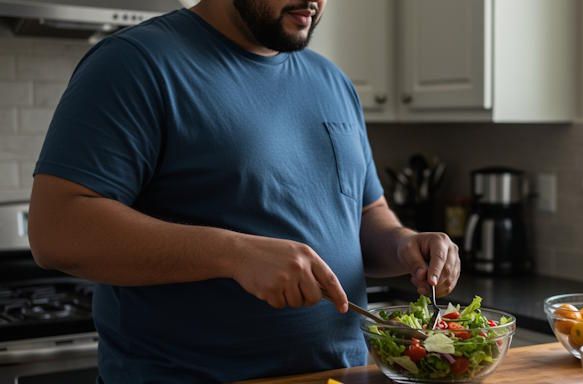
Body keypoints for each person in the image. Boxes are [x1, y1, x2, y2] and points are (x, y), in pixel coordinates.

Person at [27, 0, 461, 382]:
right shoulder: (135, 64)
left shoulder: (332, 82)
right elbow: (56, 230)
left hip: (338, 376)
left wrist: (406, 246)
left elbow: (367, 215)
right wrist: (233, 254)